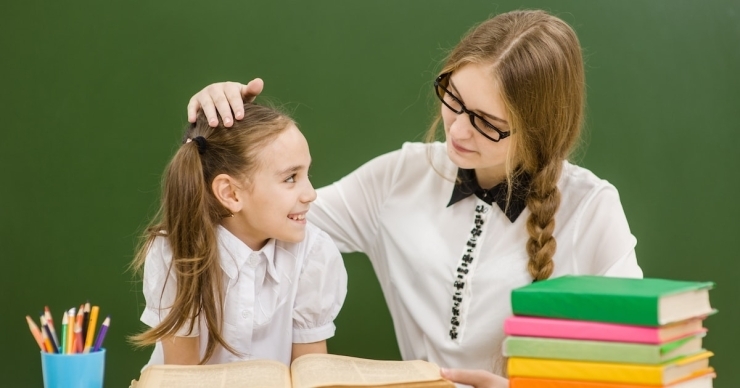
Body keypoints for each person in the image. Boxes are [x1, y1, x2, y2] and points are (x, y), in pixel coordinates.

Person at [185, 9, 642, 386]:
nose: (457, 130)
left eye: (487, 122)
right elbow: (257, 215)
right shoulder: (401, 176)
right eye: (454, 99)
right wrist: (220, 135)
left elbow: (648, 370)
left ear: (541, 131)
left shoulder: (591, 209)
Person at [129, 103, 348, 368]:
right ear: (231, 194)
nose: (310, 193)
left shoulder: (314, 253)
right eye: (291, 178)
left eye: (306, 173)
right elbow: (181, 378)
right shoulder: (176, 253)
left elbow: (311, 375)